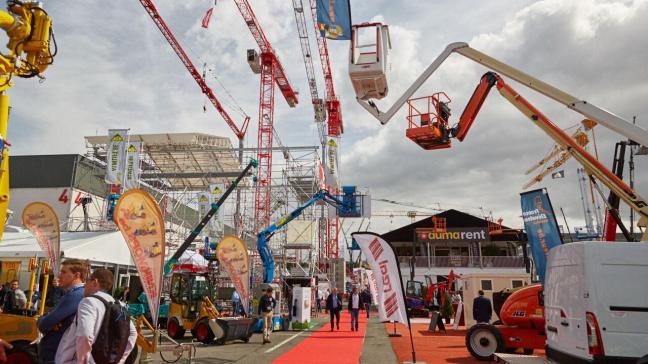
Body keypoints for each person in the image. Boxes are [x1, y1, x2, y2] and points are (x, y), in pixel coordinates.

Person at [55, 268, 137, 364]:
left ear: (95, 282)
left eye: (87, 281)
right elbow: (132, 334)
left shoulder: (88, 302)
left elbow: (85, 334)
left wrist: (83, 361)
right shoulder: (120, 305)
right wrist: (119, 360)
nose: (84, 285)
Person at [37, 259, 87, 364]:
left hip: (57, 355)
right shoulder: (75, 293)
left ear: (76, 275)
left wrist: (42, 320)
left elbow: (44, 323)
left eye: (64, 272)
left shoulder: (76, 295)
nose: (59, 276)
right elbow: (49, 318)